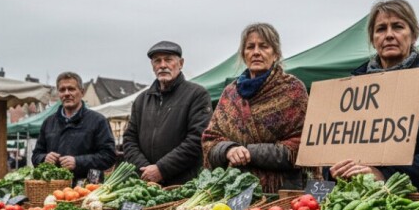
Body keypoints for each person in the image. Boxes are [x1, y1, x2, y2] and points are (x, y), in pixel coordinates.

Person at [327, 0, 419, 192]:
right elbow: (330, 148)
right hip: (358, 200)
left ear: (413, 35)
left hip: (416, 201)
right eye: (381, 29)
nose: (389, 35)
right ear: (373, 39)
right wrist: (333, 170)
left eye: (398, 27)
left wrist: (384, 175)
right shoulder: (354, 88)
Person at [202, 23, 309, 193]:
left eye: (264, 46)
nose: (256, 52)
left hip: (281, 192)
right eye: (250, 47)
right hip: (235, 190)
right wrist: (228, 150)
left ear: (276, 53)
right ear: (243, 54)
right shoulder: (230, 93)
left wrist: (249, 152)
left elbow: (303, 145)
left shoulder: (292, 90)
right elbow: (210, 140)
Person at [123, 41, 212, 185]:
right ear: (152, 66)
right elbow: (129, 139)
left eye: (168, 60)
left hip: (183, 184)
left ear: (181, 63)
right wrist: (145, 170)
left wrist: (161, 169)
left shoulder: (197, 95)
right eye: (157, 61)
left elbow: (197, 139)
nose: (162, 65)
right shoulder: (141, 100)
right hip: (146, 184)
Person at [32, 72, 117, 180]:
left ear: (82, 92)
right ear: (59, 94)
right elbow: (36, 156)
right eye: (62, 90)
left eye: (71, 89)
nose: (66, 93)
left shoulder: (98, 121)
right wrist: (44, 158)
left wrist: (78, 162)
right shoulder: (48, 123)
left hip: (89, 185)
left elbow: (109, 156)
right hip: (55, 185)